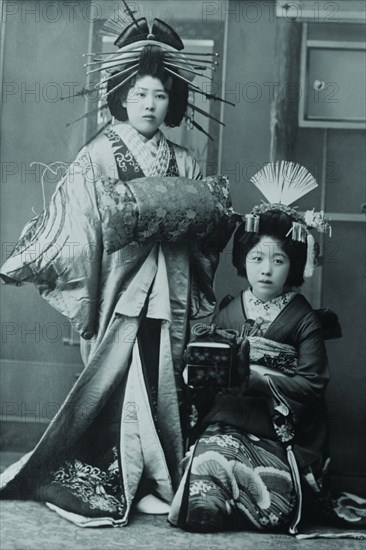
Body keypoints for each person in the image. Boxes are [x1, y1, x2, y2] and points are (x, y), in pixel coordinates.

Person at [0, 14, 235, 527]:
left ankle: (155, 479)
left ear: (172, 102)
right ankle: (115, 473)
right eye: (141, 94)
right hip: (120, 285)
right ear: (122, 97)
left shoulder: (184, 161)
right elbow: (81, 227)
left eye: (161, 95)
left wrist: (215, 221)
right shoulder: (98, 155)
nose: (151, 105)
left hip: (170, 283)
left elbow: (202, 231)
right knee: (119, 380)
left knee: (161, 379)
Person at [168, 162, 366, 536]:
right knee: (211, 453)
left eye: (278, 260)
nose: (266, 270)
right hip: (228, 416)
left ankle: (232, 504)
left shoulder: (304, 318)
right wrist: (199, 372)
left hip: (280, 426)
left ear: (294, 266)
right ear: (243, 259)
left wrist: (257, 376)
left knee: (272, 486)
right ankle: (209, 504)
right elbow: (206, 370)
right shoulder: (228, 308)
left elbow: (313, 385)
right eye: (257, 258)